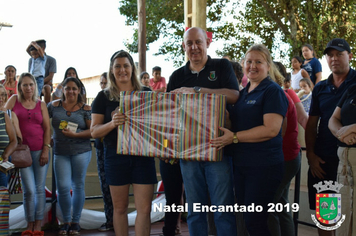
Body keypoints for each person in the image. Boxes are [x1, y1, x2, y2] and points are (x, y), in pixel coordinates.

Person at [167, 27, 239, 236]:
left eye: (198, 42)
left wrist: (197, 91)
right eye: (189, 43)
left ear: (207, 43)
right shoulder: (176, 76)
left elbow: (234, 95)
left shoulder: (221, 66)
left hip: (217, 149)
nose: (194, 47)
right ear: (184, 47)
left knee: (222, 210)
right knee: (195, 211)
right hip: (188, 152)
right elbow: (167, 113)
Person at [211, 44, 288, 236]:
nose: (253, 66)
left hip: (264, 167)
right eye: (249, 62)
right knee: (249, 220)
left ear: (268, 66)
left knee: (255, 222)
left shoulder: (272, 91)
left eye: (258, 62)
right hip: (243, 165)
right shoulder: (244, 92)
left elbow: (271, 129)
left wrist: (234, 138)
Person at [91, 50, 157, 236]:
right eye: (118, 66)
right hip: (115, 156)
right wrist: (112, 123)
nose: (122, 70)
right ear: (112, 70)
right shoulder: (103, 97)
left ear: (132, 68)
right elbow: (94, 131)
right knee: (119, 209)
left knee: (144, 210)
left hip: (143, 156)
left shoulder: (146, 93)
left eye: (126, 65)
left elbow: (158, 124)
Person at [305, 38, 356, 236]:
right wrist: (310, 154)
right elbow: (311, 123)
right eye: (330, 55)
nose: (334, 59)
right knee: (326, 216)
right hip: (324, 160)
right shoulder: (320, 88)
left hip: (351, 159)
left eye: (339, 54)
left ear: (350, 56)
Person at [5, 72, 51, 235]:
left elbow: (47, 128)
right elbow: (4, 117)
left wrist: (46, 148)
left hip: (40, 152)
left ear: (35, 86)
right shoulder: (13, 101)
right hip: (21, 154)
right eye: (24, 84)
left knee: (39, 189)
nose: (28, 87)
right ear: (20, 87)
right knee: (29, 190)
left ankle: (37, 226)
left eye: (31, 84)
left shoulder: (41, 104)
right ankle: (29, 224)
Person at [48, 77, 92, 235]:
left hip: (81, 151)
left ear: (79, 90)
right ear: (63, 89)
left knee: (78, 185)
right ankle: (65, 222)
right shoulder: (53, 106)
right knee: (63, 188)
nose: (71, 91)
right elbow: (44, 125)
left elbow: (92, 131)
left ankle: (75, 222)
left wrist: (76, 134)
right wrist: (48, 139)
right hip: (60, 152)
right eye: (68, 88)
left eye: (74, 88)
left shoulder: (86, 108)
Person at [268, 63, 301, 236]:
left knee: (268, 205)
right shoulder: (280, 94)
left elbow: (278, 133)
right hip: (289, 157)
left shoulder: (278, 96)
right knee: (280, 204)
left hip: (284, 158)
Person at [329, 83, 356, 236]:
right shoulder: (353, 88)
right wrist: (342, 133)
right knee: (343, 224)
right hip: (344, 165)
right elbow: (333, 119)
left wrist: (352, 128)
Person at [94, 72, 114, 232]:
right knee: (105, 186)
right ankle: (110, 220)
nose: (103, 85)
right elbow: (94, 129)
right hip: (101, 149)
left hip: (119, 149)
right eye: (101, 83)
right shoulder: (100, 99)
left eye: (105, 83)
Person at [27, 39, 57, 104]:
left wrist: (39, 82)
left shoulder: (50, 60)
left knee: (47, 88)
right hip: (33, 81)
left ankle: (47, 107)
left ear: (42, 48)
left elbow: (50, 76)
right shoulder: (32, 59)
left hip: (44, 82)